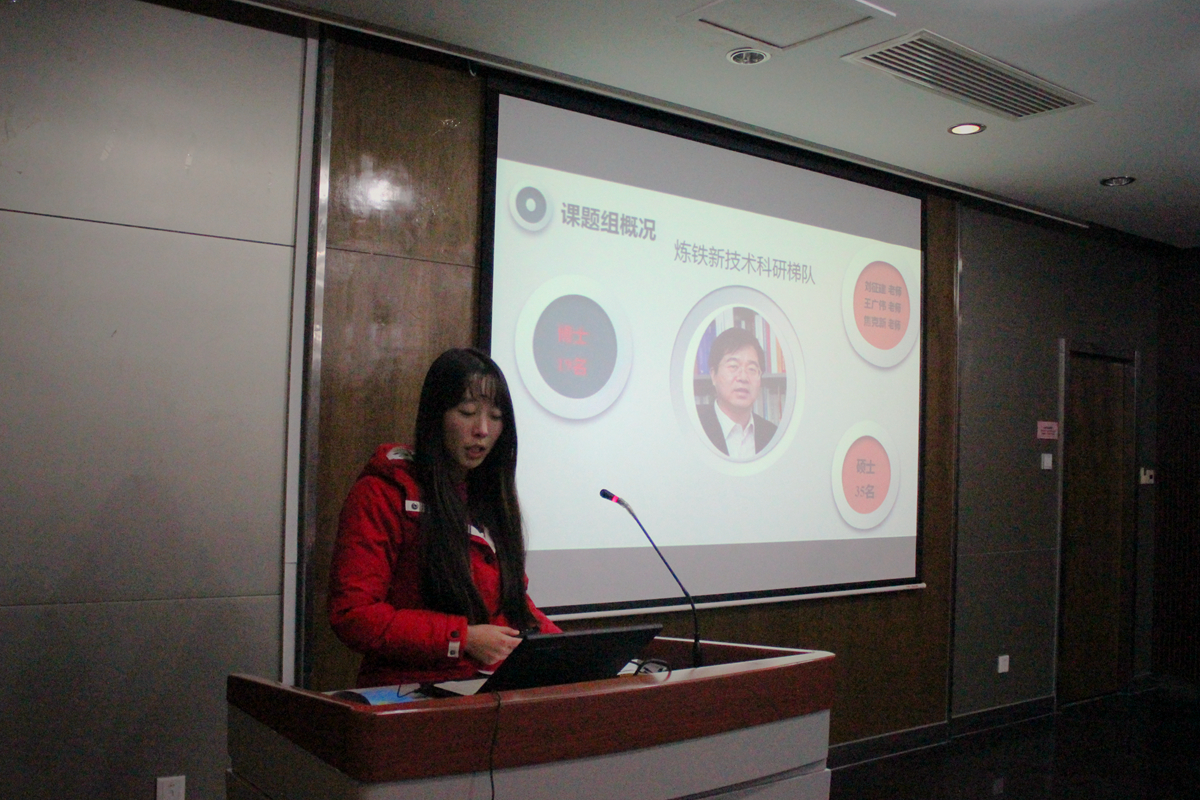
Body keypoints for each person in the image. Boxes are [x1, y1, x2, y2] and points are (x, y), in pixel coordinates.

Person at [328, 348, 560, 687]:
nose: (482, 429)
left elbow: (513, 607)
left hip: (486, 690)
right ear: (435, 416)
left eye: (496, 417)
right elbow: (354, 614)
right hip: (409, 694)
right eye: (467, 413)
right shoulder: (383, 492)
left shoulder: (489, 495)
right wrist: (461, 638)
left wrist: (571, 652)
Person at [696, 327, 778, 459]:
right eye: (733, 366)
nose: (743, 377)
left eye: (752, 369)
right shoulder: (694, 425)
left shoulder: (773, 436)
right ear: (713, 375)